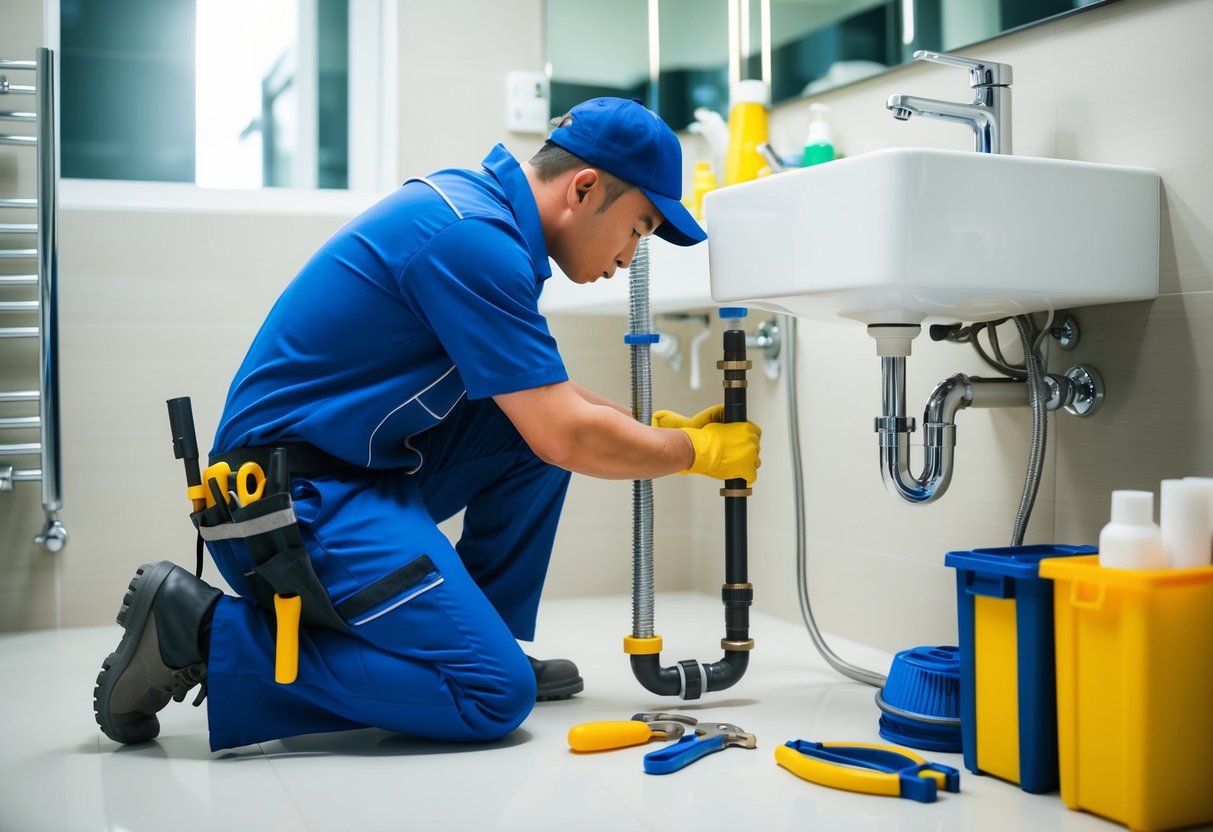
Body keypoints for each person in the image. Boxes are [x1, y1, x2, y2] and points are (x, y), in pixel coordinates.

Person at [93, 97, 761, 751]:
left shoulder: (480, 216)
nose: (630, 254)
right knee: (491, 697)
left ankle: (479, 636)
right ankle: (201, 631)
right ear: (584, 188)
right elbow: (566, 432)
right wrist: (689, 451)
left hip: (340, 477)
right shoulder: (472, 240)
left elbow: (546, 402)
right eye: (638, 228)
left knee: (517, 432)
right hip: (285, 508)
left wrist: (651, 425)